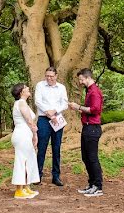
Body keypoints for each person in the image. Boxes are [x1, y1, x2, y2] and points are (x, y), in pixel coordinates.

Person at [69, 68, 103, 197]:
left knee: (92, 158)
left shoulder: (94, 92)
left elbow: (95, 109)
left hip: (93, 128)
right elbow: (88, 109)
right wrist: (80, 109)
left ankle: (98, 186)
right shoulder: (89, 91)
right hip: (87, 127)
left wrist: (78, 107)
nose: (80, 82)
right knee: (86, 157)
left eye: (81, 79)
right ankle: (92, 184)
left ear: (87, 78)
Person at [34, 67, 69, 187]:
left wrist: (54, 111)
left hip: (57, 118)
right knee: (41, 147)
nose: (49, 78)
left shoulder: (61, 87)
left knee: (56, 147)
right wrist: (48, 112)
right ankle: (37, 175)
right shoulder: (40, 85)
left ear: (56, 76)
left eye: (51, 76)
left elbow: (64, 103)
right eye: (47, 76)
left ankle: (56, 176)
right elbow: (37, 101)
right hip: (44, 119)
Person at [10, 83, 40, 199]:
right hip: (22, 135)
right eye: (26, 88)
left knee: (30, 160)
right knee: (22, 161)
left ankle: (27, 187)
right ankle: (19, 190)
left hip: (26, 134)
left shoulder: (23, 103)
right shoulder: (21, 103)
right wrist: (35, 133)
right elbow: (28, 120)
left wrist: (33, 134)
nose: (28, 89)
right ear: (21, 92)